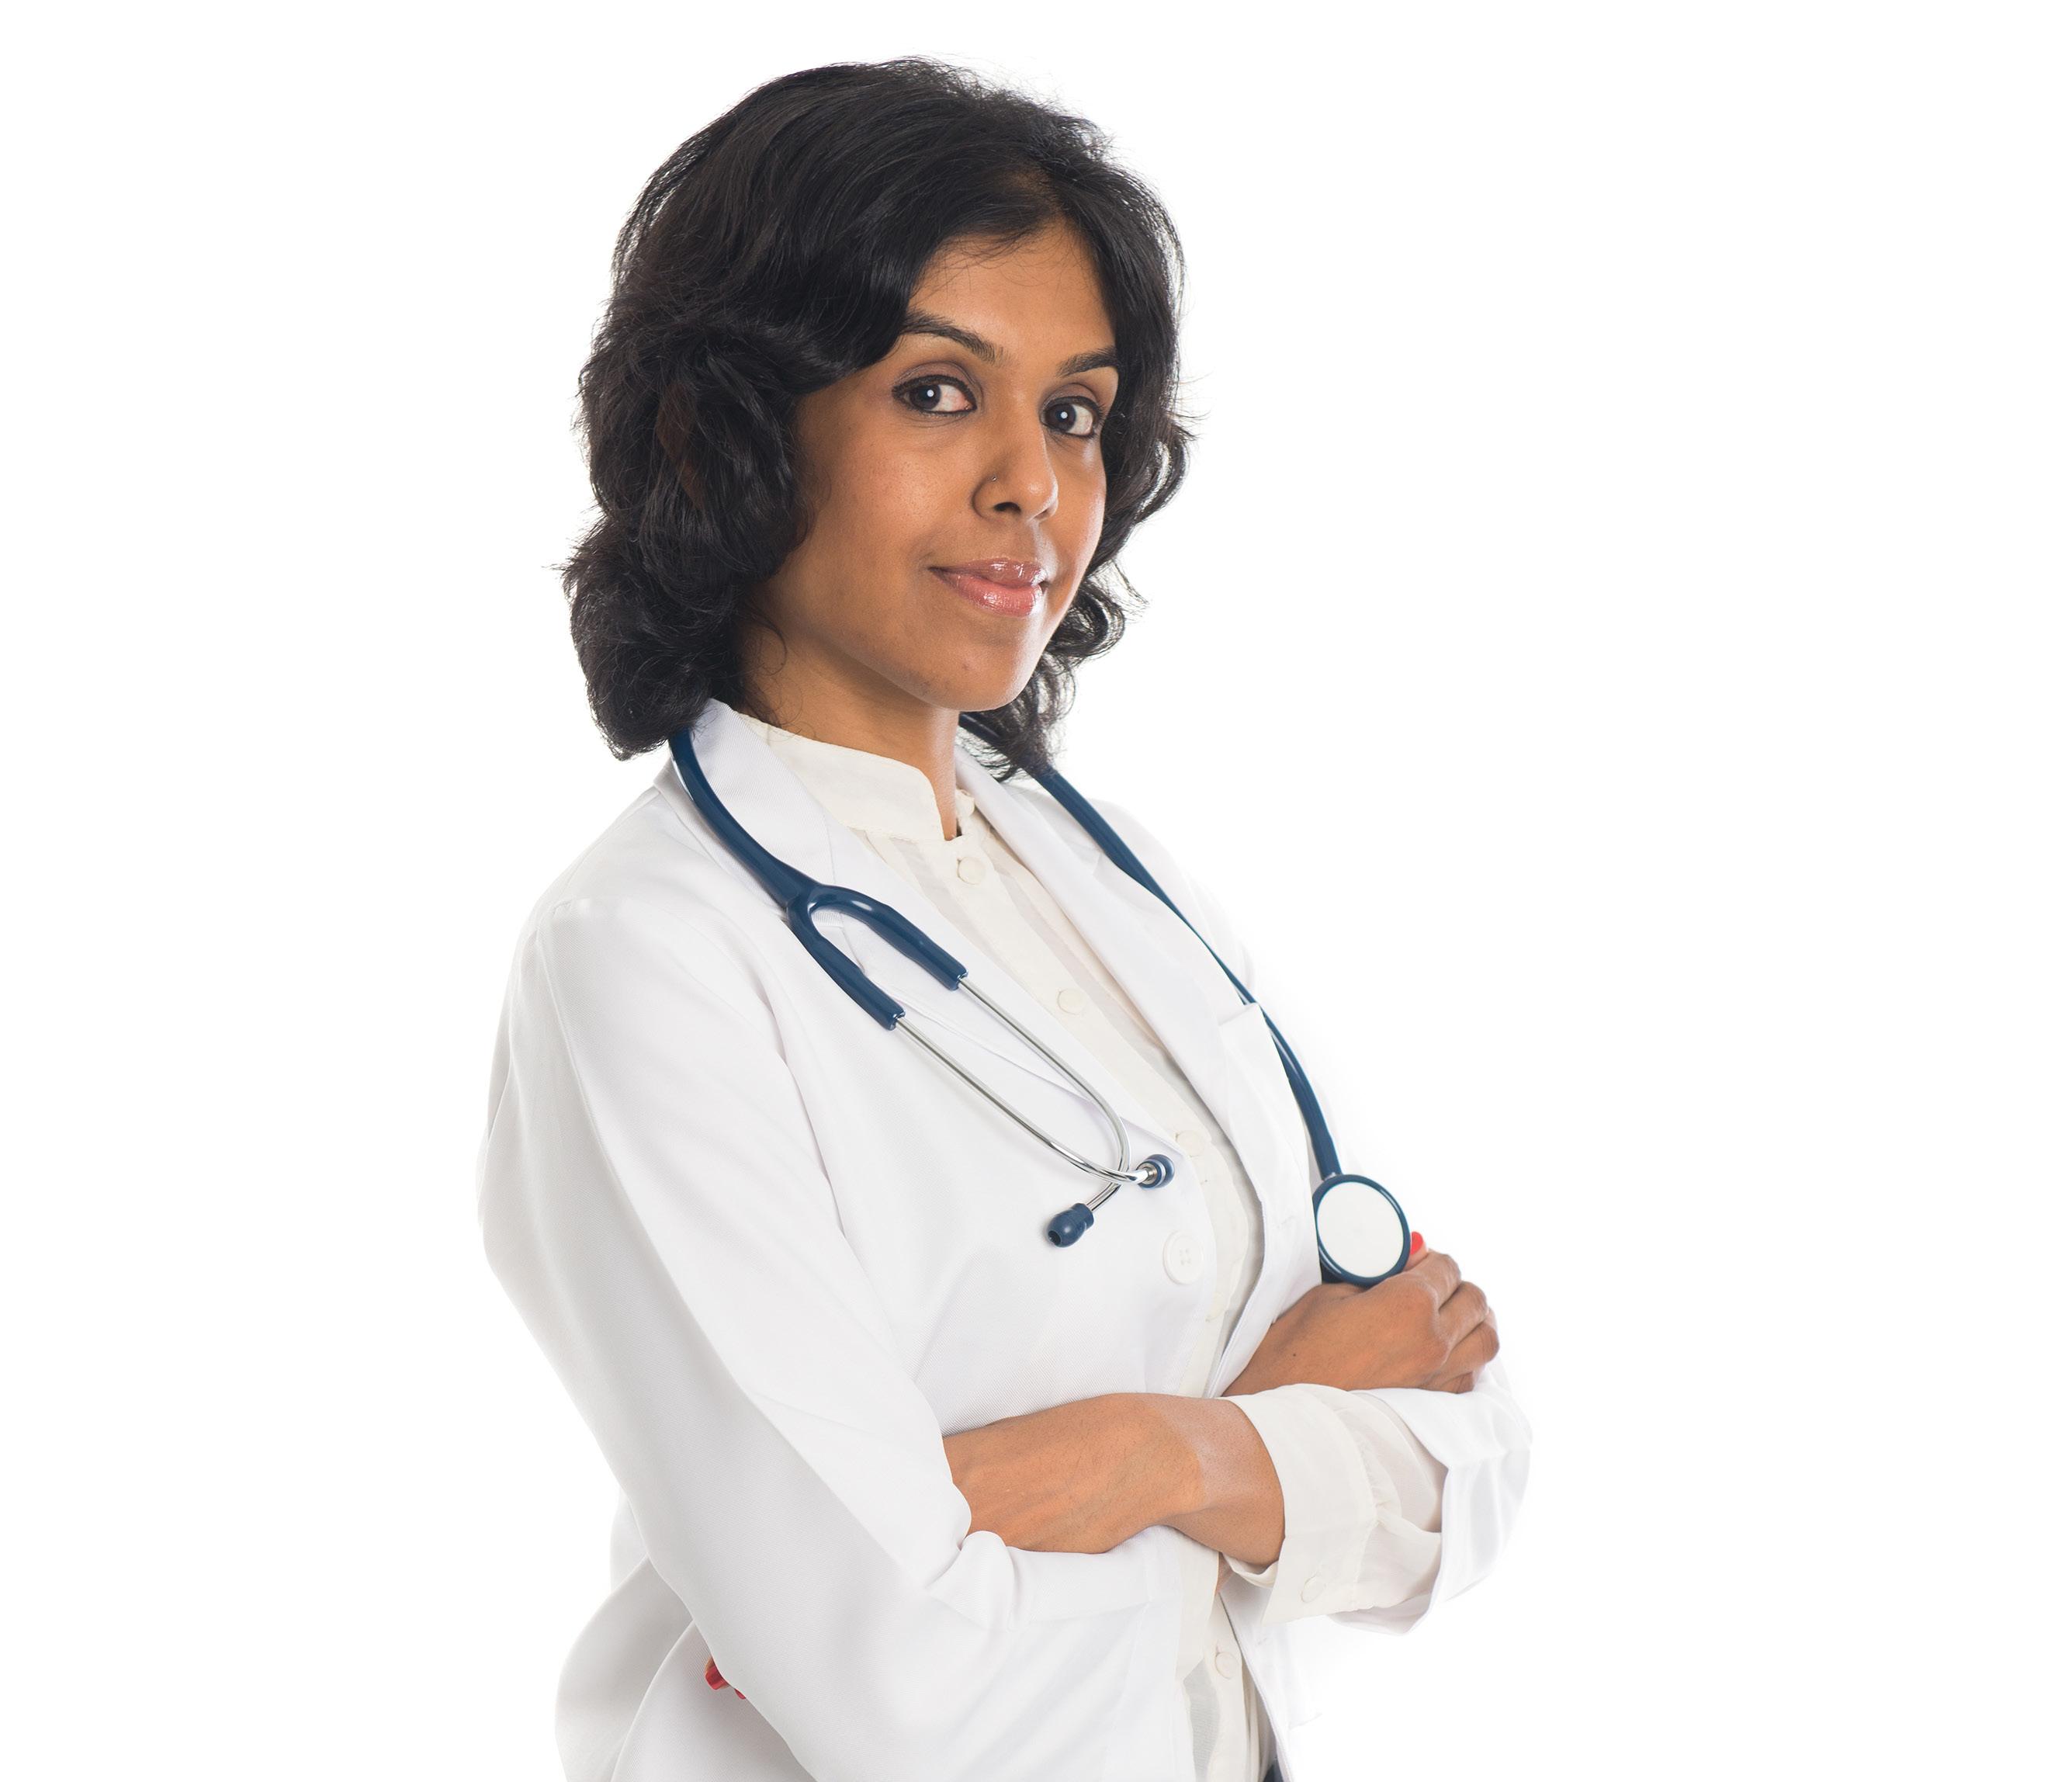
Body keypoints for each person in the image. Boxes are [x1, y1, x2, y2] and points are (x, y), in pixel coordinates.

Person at [476, 57, 1531, 1782]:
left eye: (1075, 412)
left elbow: (1463, 1463)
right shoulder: (646, 958)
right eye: (937, 392)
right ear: (726, 429)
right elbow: (915, 1692)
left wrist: (1137, 1458)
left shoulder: (1096, 874)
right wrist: (1258, 1457)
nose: (1032, 482)